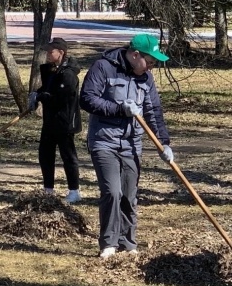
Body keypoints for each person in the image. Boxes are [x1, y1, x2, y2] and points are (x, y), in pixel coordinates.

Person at [79, 34, 175, 259]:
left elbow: (153, 112)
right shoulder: (103, 67)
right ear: (135, 55)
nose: (152, 65)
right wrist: (119, 108)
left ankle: (127, 242)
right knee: (112, 191)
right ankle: (109, 243)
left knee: (129, 194)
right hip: (104, 140)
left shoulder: (146, 79)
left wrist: (164, 143)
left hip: (132, 143)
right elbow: (87, 99)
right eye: (150, 60)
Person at [28, 37, 83, 203]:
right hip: (50, 121)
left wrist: (41, 97)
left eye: (51, 51)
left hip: (65, 122)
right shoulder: (52, 71)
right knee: (45, 154)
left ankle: (74, 191)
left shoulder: (69, 74)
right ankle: (48, 189)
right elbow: (47, 89)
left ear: (61, 52)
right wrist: (36, 95)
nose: (48, 54)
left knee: (68, 156)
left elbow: (60, 98)